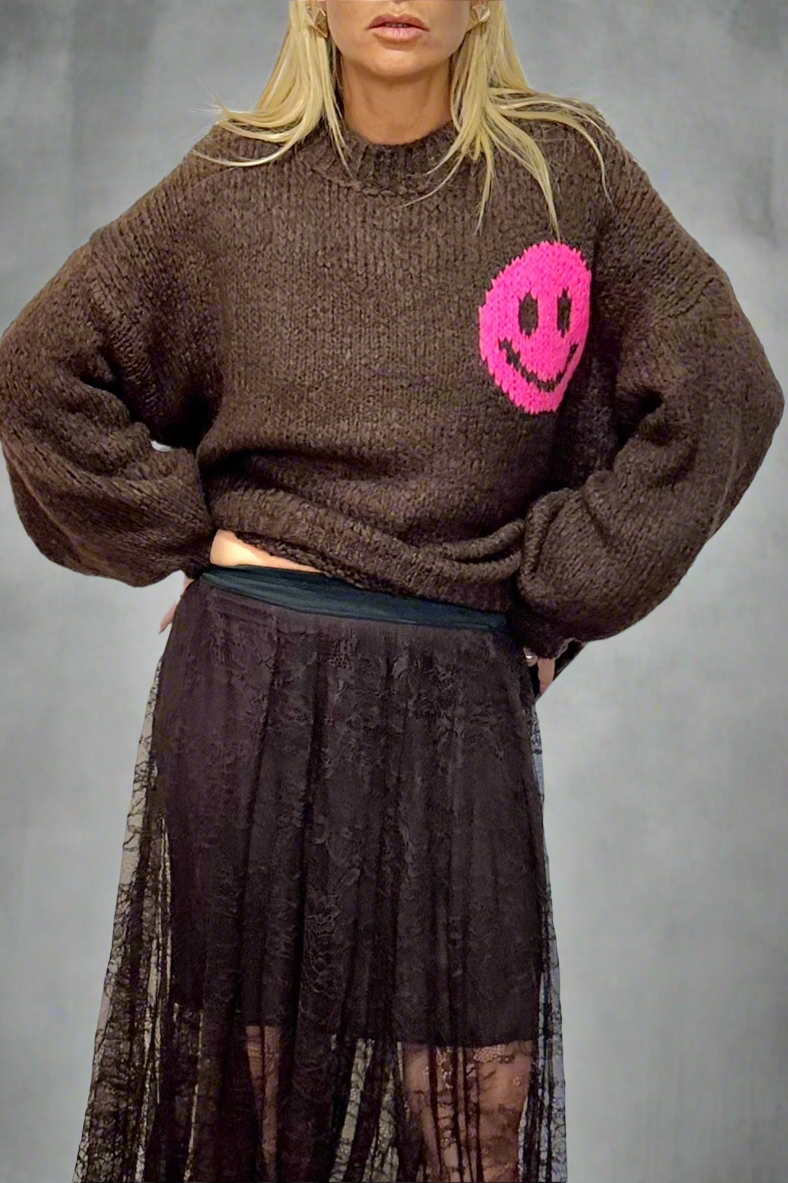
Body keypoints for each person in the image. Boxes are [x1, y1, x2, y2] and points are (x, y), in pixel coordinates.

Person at [0, 2, 783, 1180]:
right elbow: (39, 373)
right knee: (258, 1127)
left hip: (455, 697)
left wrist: (559, 593)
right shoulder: (235, 183)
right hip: (253, 684)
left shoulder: (564, 173)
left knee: (473, 1124)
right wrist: (191, 533)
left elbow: (723, 389)